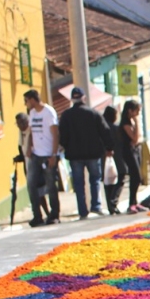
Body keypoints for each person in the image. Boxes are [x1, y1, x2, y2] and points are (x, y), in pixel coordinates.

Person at [59, 86, 114, 220]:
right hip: (93, 153)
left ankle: (82, 211)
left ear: (72, 99)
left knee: (78, 183)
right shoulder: (93, 113)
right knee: (94, 179)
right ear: (84, 98)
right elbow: (105, 131)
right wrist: (109, 147)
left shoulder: (66, 115)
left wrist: (66, 147)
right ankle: (96, 206)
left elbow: (63, 136)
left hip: (74, 155)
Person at [21, 89, 60, 226]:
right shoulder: (32, 113)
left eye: (26, 101)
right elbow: (31, 131)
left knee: (50, 186)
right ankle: (37, 215)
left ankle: (54, 214)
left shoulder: (49, 112)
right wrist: (29, 147)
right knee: (31, 184)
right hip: (35, 155)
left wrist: (54, 155)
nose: (25, 104)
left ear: (32, 100)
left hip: (48, 154)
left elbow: (55, 134)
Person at [119, 100, 145, 214]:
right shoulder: (125, 123)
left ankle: (135, 201)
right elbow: (135, 138)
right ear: (130, 111)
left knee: (137, 177)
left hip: (135, 150)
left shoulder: (131, 122)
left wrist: (137, 139)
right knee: (136, 176)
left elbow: (139, 138)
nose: (138, 114)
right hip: (128, 151)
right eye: (137, 111)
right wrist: (137, 122)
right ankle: (131, 203)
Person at [102, 106, 125, 215]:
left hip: (104, 159)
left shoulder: (101, 128)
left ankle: (110, 205)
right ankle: (113, 203)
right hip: (117, 158)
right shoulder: (115, 129)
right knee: (120, 178)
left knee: (108, 183)